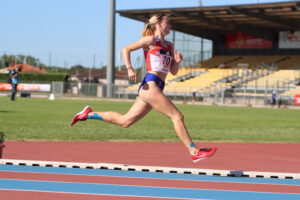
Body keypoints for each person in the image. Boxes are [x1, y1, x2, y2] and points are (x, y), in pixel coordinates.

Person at [70, 14, 217, 163]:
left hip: (158, 86)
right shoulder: (151, 40)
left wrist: (177, 62)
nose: (171, 26)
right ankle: (194, 151)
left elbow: (172, 72)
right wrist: (129, 69)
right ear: (158, 24)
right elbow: (126, 49)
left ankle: (87, 114)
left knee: (125, 121)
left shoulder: (170, 46)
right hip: (150, 85)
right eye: (168, 22)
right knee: (177, 116)